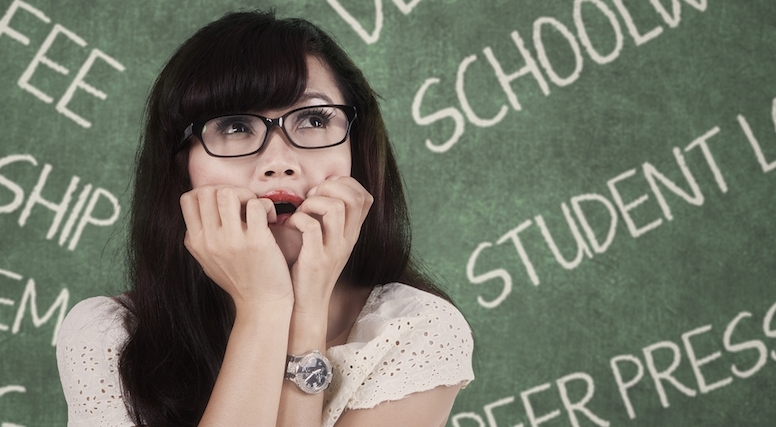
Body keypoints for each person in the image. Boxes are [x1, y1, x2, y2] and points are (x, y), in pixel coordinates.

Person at [56, 10, 473, 427]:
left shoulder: (415, 331)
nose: (278, 162)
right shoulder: (110, 336)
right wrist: (264, 308)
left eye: (314, 120)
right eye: (235, 126)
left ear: (356, 150)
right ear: (181, 167)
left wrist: (306, 311)